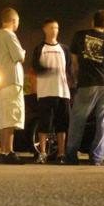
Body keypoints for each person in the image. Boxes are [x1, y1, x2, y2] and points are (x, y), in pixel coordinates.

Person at [64, 9, 104, 165]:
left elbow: (74, 62)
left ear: (92, 21)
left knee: (77, 121)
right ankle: (97, 157)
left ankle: (71, 155)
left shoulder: (79, 36)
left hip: (86, 83)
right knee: (102, 123)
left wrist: (76, 77)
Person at [31, 19, 72, 163]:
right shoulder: (39, 48)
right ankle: (42, 153)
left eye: (57, 28)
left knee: (62, 125)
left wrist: (71, 86)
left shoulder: (64, 49)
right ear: (45, 29)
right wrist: (47, 71)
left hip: (62, 92)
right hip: (46, 92)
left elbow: (69, 70)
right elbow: (36, 68)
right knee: (44, 124)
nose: (55, 30)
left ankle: (61, 154)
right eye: (52, 28)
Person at [0, 7, 26, 164]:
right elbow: (19, 56)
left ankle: (3, 151)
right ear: (13, 20)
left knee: (5, 118)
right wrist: (23, 52)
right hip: (12, 81)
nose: (18, 24)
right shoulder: (9, 34)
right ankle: (8, 151)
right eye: (17, 21)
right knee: (11, 117)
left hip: (3, 83)